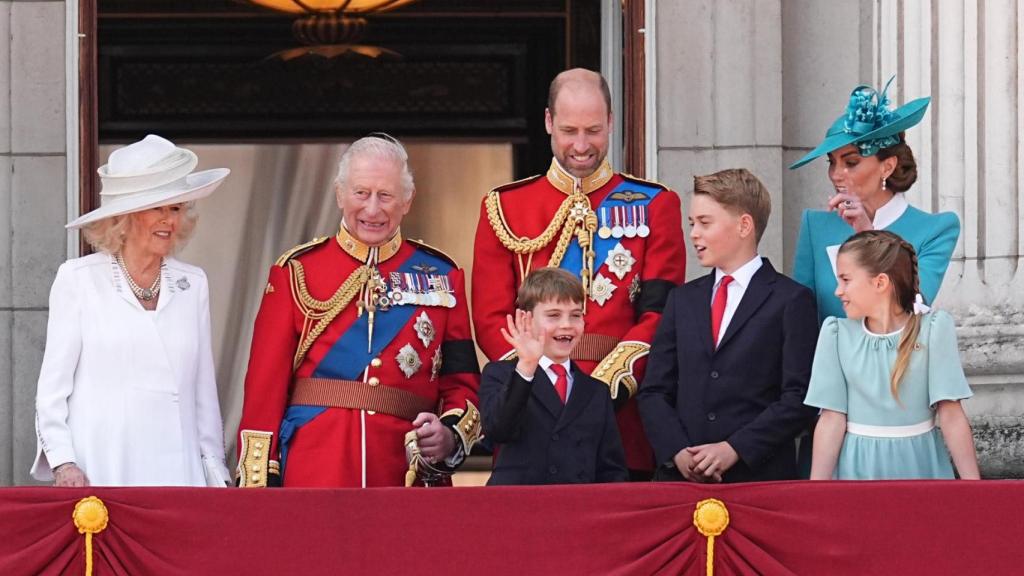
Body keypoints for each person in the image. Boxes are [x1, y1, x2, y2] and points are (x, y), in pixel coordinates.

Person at [472, 68, 685, 478]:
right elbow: (490, 318)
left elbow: (660, 314)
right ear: (549, 122)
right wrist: (534, 384)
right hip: (529, 410)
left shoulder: (656, 203)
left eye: (594, 130)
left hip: (621, 414)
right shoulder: (503, 207)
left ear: (611, 123)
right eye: (569, 130)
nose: (582, 146)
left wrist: (601, 391)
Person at [236, 135, 481, 488]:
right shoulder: (297, 271)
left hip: (402, 474)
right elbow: (264, 390)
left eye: (386, 196)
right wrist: (259, 486)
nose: (372, 210)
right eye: (361, 193)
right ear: (339, 194)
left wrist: (449, 435)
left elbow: (463, 386)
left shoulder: (443, 275)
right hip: (313, 471)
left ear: (407, 200)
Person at [32, 134, 232, 487]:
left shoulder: (192, 284)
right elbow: (51, 393)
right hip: (104, 471)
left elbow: (203, 392)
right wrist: (64, 463)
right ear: (124, 217)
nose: (169, 220)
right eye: (157, 207)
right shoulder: (79, 280)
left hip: (179, 477)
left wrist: (215, 470)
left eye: (176, 208)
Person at [637, 169, 819, 483]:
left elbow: (798, 397)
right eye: (692, 223)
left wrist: (735, 448)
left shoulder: (791, 300)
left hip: (760, 479)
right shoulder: (681, 300)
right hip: (682, 481)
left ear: (744, 225)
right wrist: (678, 451)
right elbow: (654, 390)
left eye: (705, 223)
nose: (693, 233)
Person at [806, 230, 980, 480]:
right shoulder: (836, 334)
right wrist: (816, 492)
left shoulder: (932, 329)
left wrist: (974, 489)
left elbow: (950, 413)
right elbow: (832, 418)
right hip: (857, 470)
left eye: (845, 280)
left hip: (921, 466)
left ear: (880, 283)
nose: (838, 291)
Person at [790, 79, 959, 324]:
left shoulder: (934, 229)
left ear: (887, 167)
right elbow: (800, 319)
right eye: (831, 162)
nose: (836, 174)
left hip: (898, 361)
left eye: (850, 162)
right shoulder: (815, 226)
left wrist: (867, 234)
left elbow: (914, 307)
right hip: (831, 360)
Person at [480, 268, 627, 485]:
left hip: (578, 510)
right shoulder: (502, 374)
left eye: (576, 315)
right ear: (526, 319)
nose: (567, 324)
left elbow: (611, 470)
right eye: (554, 315)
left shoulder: (596, 391)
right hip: (518, 508)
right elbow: (499, 430)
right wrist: (527, 366)